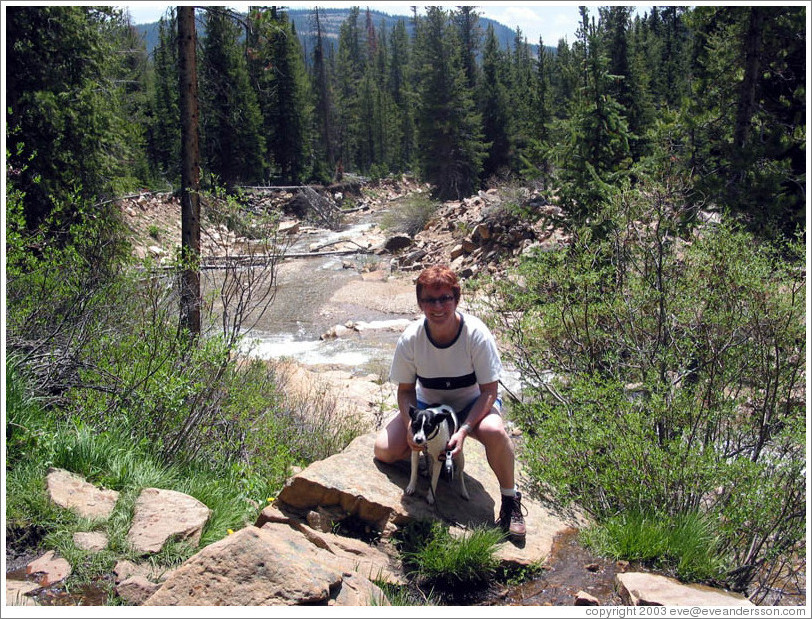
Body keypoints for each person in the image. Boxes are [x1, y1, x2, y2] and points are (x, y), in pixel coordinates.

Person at [373, 264, 526, 537]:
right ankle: (430, 462)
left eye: (445, 298)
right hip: (428, 409)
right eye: (430, 299)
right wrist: (411, 426)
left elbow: (490, 391)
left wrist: (464, 429)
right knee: (384, 450)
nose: (438, 306)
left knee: (494, 431)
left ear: (456, 299)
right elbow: (405, 391)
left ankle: (510, 499)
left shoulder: (476, 334)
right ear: (420, 303)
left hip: (472, 404)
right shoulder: (411, 339)